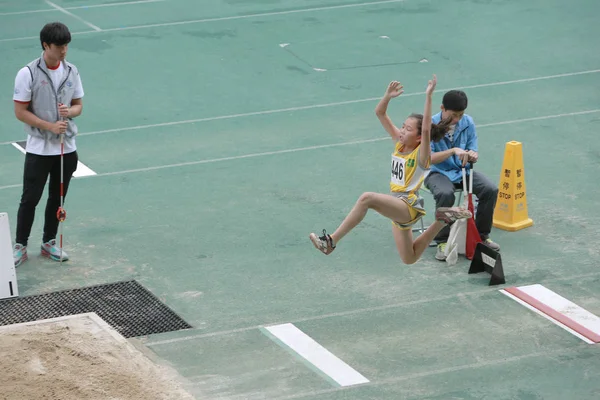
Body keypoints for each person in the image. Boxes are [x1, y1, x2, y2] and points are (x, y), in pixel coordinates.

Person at [309, 75, 472, 264]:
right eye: (402, 126)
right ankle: (442, 220)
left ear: (419, 137)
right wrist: (387, 96)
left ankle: (331, 241)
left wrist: (428, 96)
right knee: (409, 258)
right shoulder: (400, 144)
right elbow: (380, 113)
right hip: (396, 205)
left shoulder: (422, 155)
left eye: (408, 129)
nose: (402, 131)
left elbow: (427, 129)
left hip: (408, 205)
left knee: (366, 198)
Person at [12, 22, 84, 267]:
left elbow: (78, 106)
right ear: (46, 45)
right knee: (30, 198)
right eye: (59, 46)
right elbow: (20, 112)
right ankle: (20, 246)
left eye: (66, 46)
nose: (64, 51)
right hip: (39, 149)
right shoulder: (28, 73)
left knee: (58, 198)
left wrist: (69, 111)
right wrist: (49, 125)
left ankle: (49, 242)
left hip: (66, 148)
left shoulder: (71, 71)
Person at [424, 89, 500, 261]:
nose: (457, 120)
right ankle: (443, 240)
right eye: (453, 115)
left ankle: (481, 237)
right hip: (437, 173)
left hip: (462, 171)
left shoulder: (468, 122)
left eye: (461, 114)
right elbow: (428, 159)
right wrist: (453, 151)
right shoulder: (429, 125)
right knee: (445, 194)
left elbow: (473, 147)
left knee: (490, 189)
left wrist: (473, 154)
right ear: (442, 108)